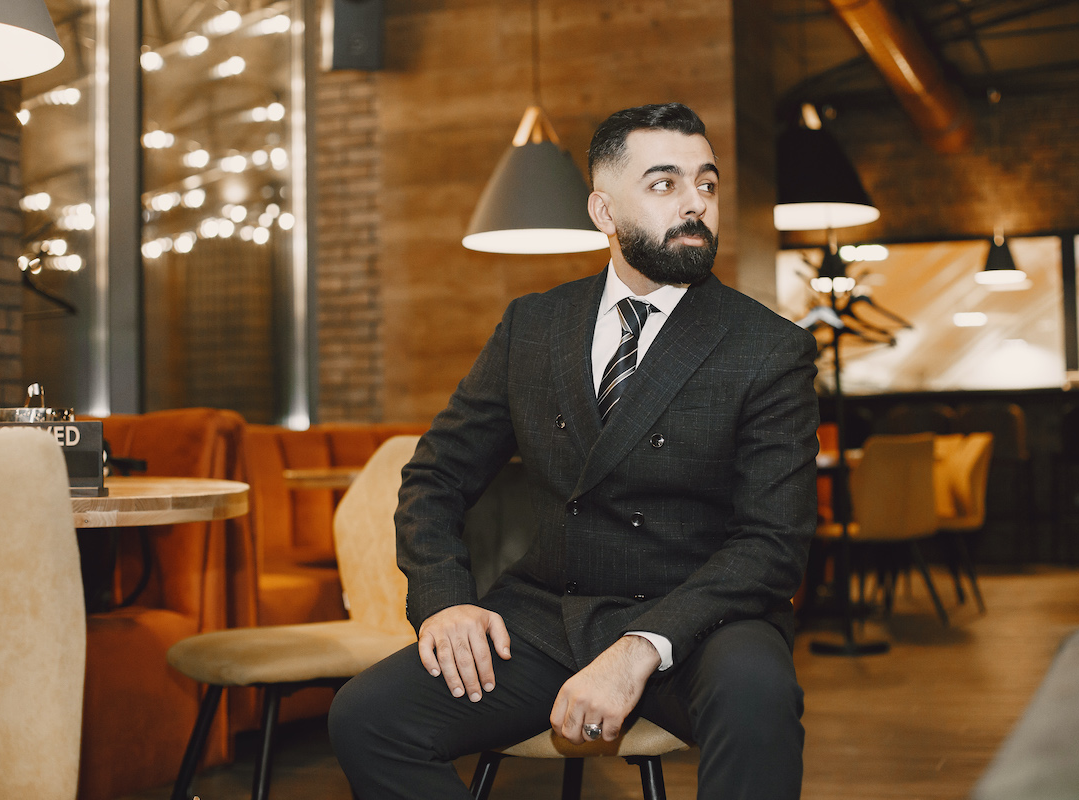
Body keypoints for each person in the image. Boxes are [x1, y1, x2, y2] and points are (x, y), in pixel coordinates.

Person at [329, 102, 818, 800]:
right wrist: (444, 600)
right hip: (548, 616)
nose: (695, 204)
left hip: (701, 621)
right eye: (664, 184)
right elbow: (435, 475)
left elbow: (772, 546)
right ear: (603, 210)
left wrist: (640, 649)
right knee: (369, 717)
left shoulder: (768, 348)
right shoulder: (534, 326)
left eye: (706, 184)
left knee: (760, 698)